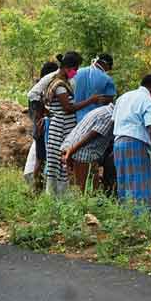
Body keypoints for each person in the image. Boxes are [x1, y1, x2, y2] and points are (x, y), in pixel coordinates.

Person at [44, 52, 103, 196]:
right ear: (66, 68)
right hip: (59, 128)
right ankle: (52, 197)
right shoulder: (59, 85)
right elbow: (68, 108)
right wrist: (90, 100)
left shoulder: (66, 83)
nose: (75, 72)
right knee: (56, 164)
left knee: (63, 163)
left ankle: (61, 197)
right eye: (74, 69)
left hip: (65, 128)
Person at [112, 75, 151, 213]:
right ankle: (140, 222)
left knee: (124, 184)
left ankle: (125, 219)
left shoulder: (123, 97)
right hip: (136, 143)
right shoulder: (148, 101)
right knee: (140, 185)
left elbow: (113, 121)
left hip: (118, 143)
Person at [61, 104, 115, 190]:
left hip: (70, 147)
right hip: (82, 153)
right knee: (82, 190)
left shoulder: (102, 110)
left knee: (78, 188)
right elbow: (92, 134)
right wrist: (71, 152)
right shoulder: (110, 117)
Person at [26, 61, 59, 191]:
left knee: (42, 160)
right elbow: (37, 112)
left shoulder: (40, 88)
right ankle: (36, 189)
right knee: (41, 160)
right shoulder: (39, 91)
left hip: (40, 128)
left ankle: (38, 188)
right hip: (41, 128)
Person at [73, 54, 116, 122]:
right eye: (109, 67)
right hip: (94, 120)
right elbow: (109, 101)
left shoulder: (77, 73)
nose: (108, 70)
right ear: (105, 64)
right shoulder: (107, 79)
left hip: (73, 117)